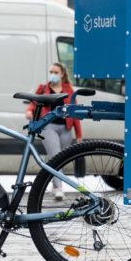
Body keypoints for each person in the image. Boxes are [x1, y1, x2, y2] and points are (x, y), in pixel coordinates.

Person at [25, 62, 82, 200]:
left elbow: (74, 111)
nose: (53, 74)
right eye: (51, 71)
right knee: (55, 155)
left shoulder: (69, 90)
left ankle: (55, 185)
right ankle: (59, 190)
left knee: (59, 159)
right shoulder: (43, 88)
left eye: (56, 72)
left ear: (62, 74)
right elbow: (34, 102)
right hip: (48, 127)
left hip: (66, 128)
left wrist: (79, 134)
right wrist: (29, 111)